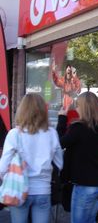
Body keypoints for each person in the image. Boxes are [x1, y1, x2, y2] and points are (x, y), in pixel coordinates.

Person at [0, 93, 63, 223]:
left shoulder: (14, 134)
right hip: (43, 190)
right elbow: (60, 163)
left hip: (18, 189)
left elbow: (2, 167)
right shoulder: (52, 133)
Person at [57, 91, 98, 223]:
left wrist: (62, 118)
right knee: (90, 220)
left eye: (78, 105)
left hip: (85, 185)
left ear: (84, 108)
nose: (76, 108)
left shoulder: (78, 128)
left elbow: (58, 143)